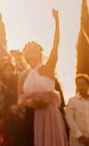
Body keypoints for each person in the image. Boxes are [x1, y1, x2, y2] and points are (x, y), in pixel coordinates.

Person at [18, 10, 67, 146]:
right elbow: (20, 98)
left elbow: (56, 44)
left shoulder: (48, 67)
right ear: (25, 54)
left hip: (49, 115)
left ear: (40, 52)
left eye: (35, 49)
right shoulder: (23, 75)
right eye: (29, 49)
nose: (32, 51)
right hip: (30, 116)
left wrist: (57, 22)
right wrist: (25, 103)